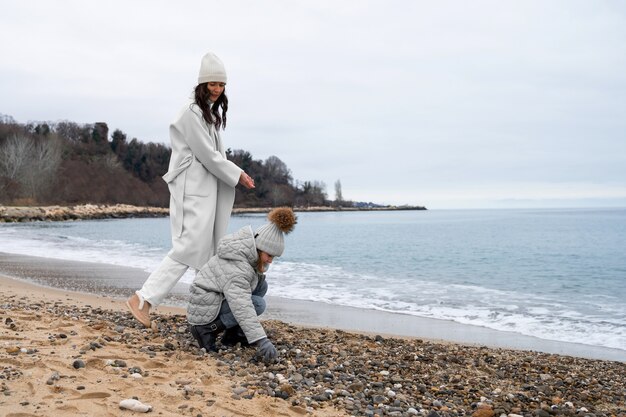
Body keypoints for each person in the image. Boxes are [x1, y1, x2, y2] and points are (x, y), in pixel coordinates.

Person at [126, 52, 256, 327]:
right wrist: (238, 173)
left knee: (207, 251)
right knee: (189, 247)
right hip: (192, 189)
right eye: (212, 84)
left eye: (221, 85)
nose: (217, 89)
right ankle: (143, 299)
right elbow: (208, 155)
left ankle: (207, 315)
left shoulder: (206, 113)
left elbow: (211, 155)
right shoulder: (191, 113)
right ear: (202, 84)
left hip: (203, 188)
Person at [187, 207, 297, 362]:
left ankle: (233, 335)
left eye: (274, 257)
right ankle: (206, 330)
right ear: (259, 248)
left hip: (212, 299)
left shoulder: (245, 255)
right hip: (204, 307)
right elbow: (242, 306)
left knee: (260, 286)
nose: (271, 261)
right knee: (257, 304)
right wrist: (261, 340)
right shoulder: (239, 268)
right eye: (269, 255)